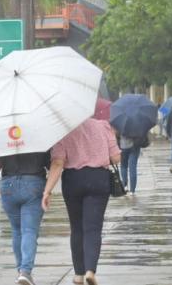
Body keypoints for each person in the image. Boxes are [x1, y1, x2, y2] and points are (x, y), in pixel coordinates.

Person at [43, 117, 122, 285]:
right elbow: (116, 158)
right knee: (93, 228)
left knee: (77, 227)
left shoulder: (62, 130)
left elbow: (57, 162)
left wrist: (47, 191)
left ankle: (78, 274)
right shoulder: (103, 126)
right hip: (98, 179)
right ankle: (90, 271)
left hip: (73, 180)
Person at [0, 152, 50, 285]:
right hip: (33, 183)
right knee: (29, 231)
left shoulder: (6, 136)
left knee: (17, 231)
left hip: (8, 185)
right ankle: (25, 272)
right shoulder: (39, 136)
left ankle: (21, 271)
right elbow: (51, 164)